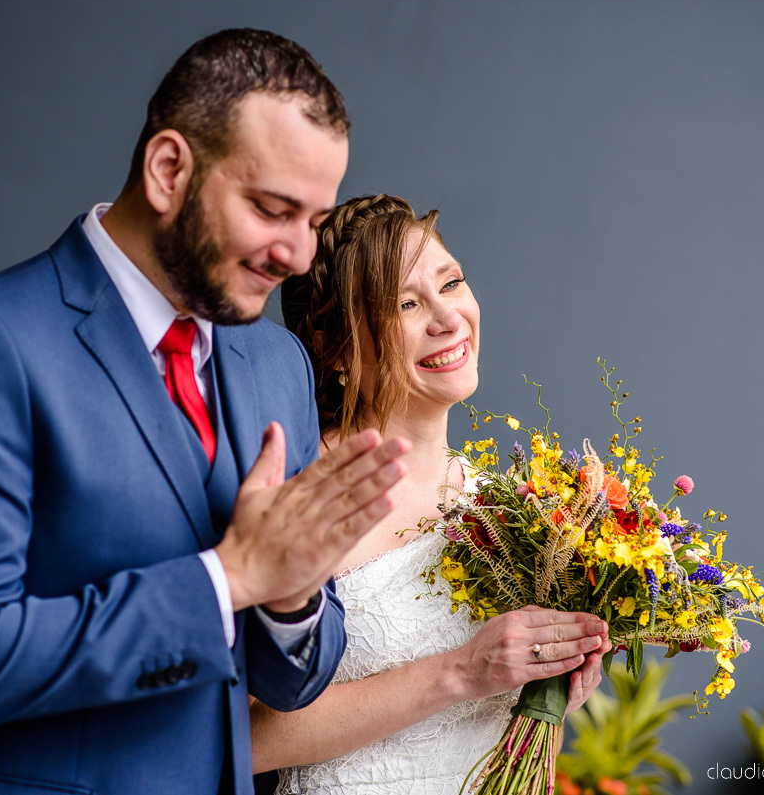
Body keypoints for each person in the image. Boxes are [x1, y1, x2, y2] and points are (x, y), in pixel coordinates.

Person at [0, 30, 412, 795]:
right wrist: (230, 576)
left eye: (314, 220)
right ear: (170, 168)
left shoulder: (280, 366)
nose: (300, 257)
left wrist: (290, 593)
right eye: (274, 210)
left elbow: (291, 681)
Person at [256, 194, 613, 794]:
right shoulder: (301, 489)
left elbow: (487, 723)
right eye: (405, 303)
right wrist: (462, 672)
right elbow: (240, 736)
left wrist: (551, 685)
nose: (447, 319)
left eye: (451, 283)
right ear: (334, 349)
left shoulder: (505, 508)